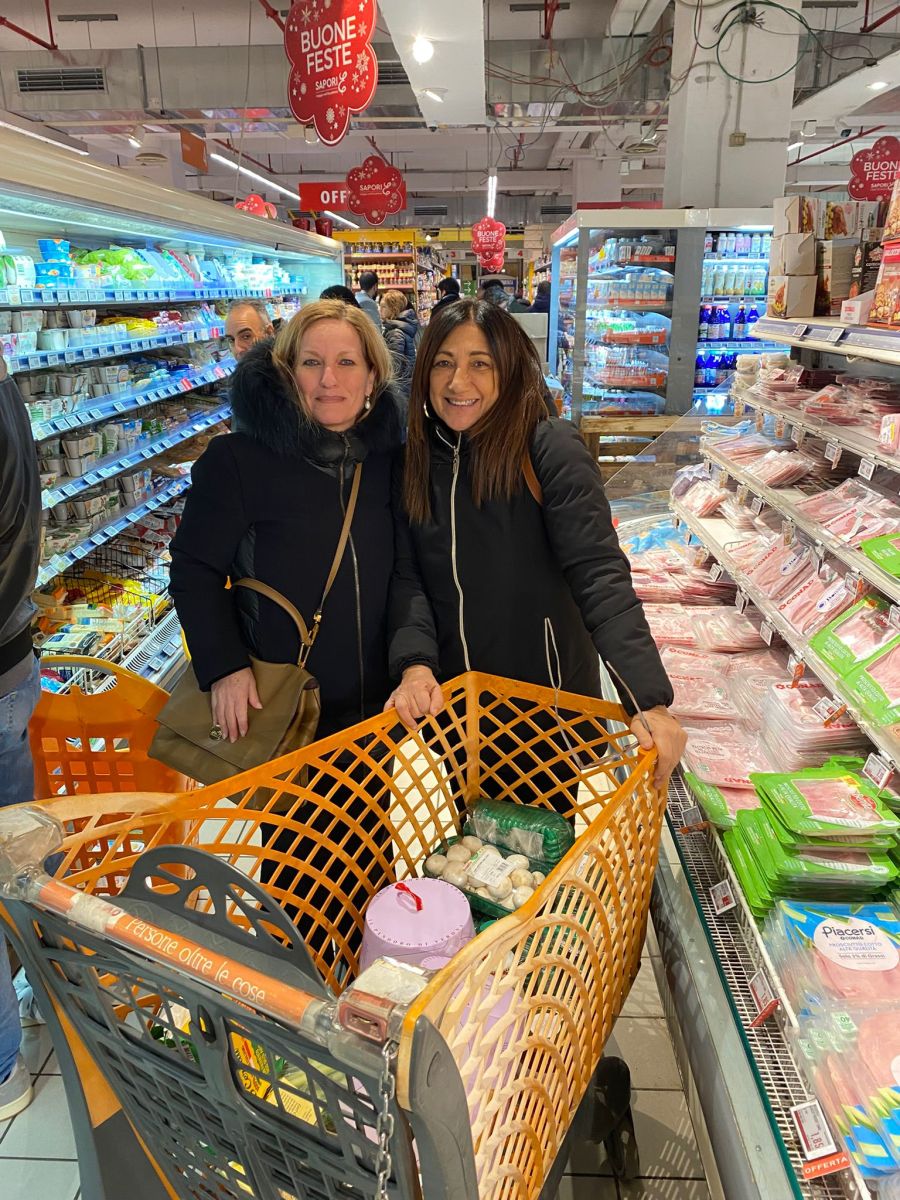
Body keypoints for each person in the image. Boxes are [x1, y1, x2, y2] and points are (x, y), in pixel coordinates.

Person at [168, 300, 402, 958]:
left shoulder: (390, 458)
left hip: (373, 710)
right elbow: (192, 568)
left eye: (346, 362)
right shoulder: (240, 460)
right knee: (301, 869)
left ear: (372, 376)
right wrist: (223, 666)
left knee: (370, 852)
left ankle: (368, 976)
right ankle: (308, 983)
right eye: (311, 362)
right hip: (289, 710)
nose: (329, 379)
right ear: (285, 370)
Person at [386, 298, 685, 795]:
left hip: (547, 717)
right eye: (443, 363)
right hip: (459, 715)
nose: (458, 382)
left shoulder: (548, 447)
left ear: (509, 369)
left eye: (480, 364)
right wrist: (415, 663)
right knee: (473, 837)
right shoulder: (415, 460)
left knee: (541, 842)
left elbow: (599, 573)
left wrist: (647, 699)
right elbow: (409, 576)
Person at [0, 349, 41, 1122]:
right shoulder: (4, 386)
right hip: (12, 662)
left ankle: (3, 1068)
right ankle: (43, 986)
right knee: (19, 851)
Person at [379, 288, 418, 402]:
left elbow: (394, 365)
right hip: (405, 385)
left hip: (398, 388)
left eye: (383, 307)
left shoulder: (395, 333)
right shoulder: (401, 327)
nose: (379, 310)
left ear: (393, 309)